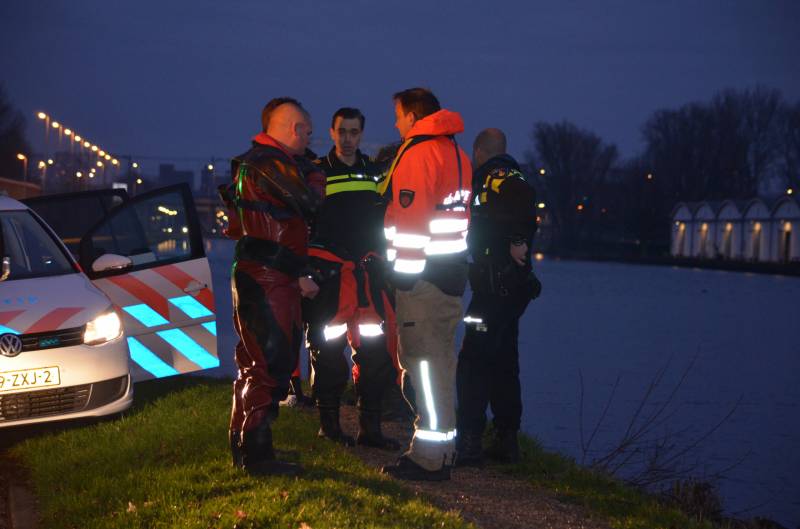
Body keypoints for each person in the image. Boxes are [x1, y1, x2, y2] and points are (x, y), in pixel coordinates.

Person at [222, 97, 325, 476]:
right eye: (308, 132)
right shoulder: (269, 163)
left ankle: (246, 446)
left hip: (265, 273)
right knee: (268, 364)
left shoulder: (257, 163)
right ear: (295, 129)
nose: (309, 141)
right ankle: (257, 455)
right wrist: (315, 176)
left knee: (255, 363)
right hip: (267, 278)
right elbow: (310, 204)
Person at [379, 88, 472, 481]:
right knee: (442, 366)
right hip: (451, 276)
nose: (396, 124)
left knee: (423, 366)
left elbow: (412, 223)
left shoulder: (418, 154)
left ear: (414, 117)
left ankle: (429, 459)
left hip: (423, 281)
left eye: (398, 116)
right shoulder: (458, 154)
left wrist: (402, 274)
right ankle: (444, 450)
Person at [303, 107, 400, 449]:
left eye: (354, 132)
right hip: (329, 279)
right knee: (328, 352)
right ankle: (328, 426)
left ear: (361, 134)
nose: (347, 138)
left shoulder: (373, 173)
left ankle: (370, 429)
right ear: (331, 132)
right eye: (341, 131)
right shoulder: (316, 174)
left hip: (367, 280)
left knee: (375, 354)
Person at [455, 128, 540, 466]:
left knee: (473, 362)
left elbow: (521, 201)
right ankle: (506, 439)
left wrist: (519, 238)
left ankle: (470, 441)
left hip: (495, 289)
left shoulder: (498, 178)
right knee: (504, 361)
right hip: (507, 290)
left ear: (479, 152)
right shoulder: (502, 177)